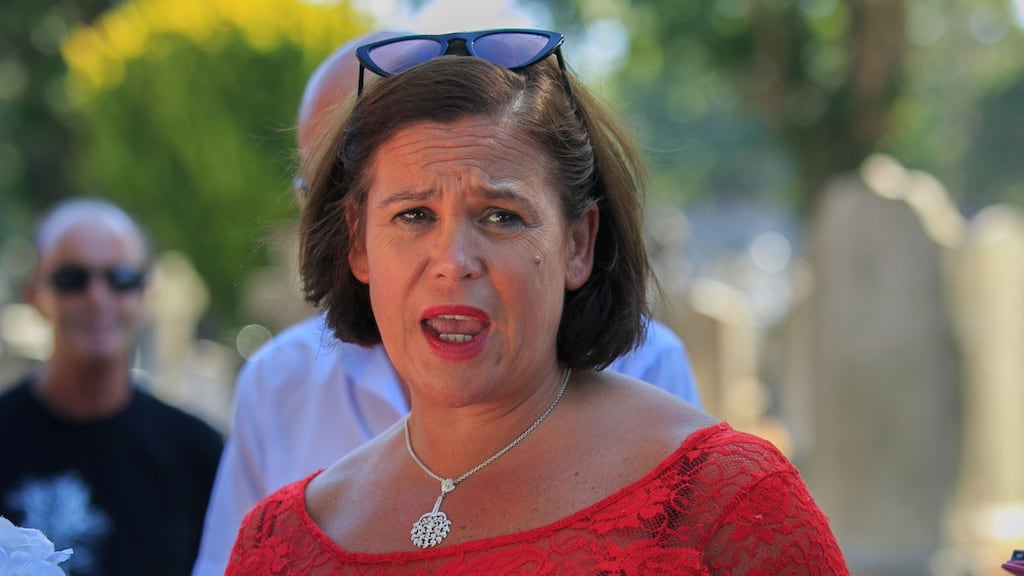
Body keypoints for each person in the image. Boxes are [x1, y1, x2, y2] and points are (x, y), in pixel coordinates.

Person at [225, 28, 848, 573]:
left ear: (579, 244)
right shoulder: (277, 542)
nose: (452, 262)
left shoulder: (725, 503)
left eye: (500, 215)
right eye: (413, 215)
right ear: (359, 245)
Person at [0, 199, 223, 576]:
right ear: (35, 294)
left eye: (120, 278)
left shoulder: (197, 453)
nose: (97, 298)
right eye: (73, 279)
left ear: (145, 295)